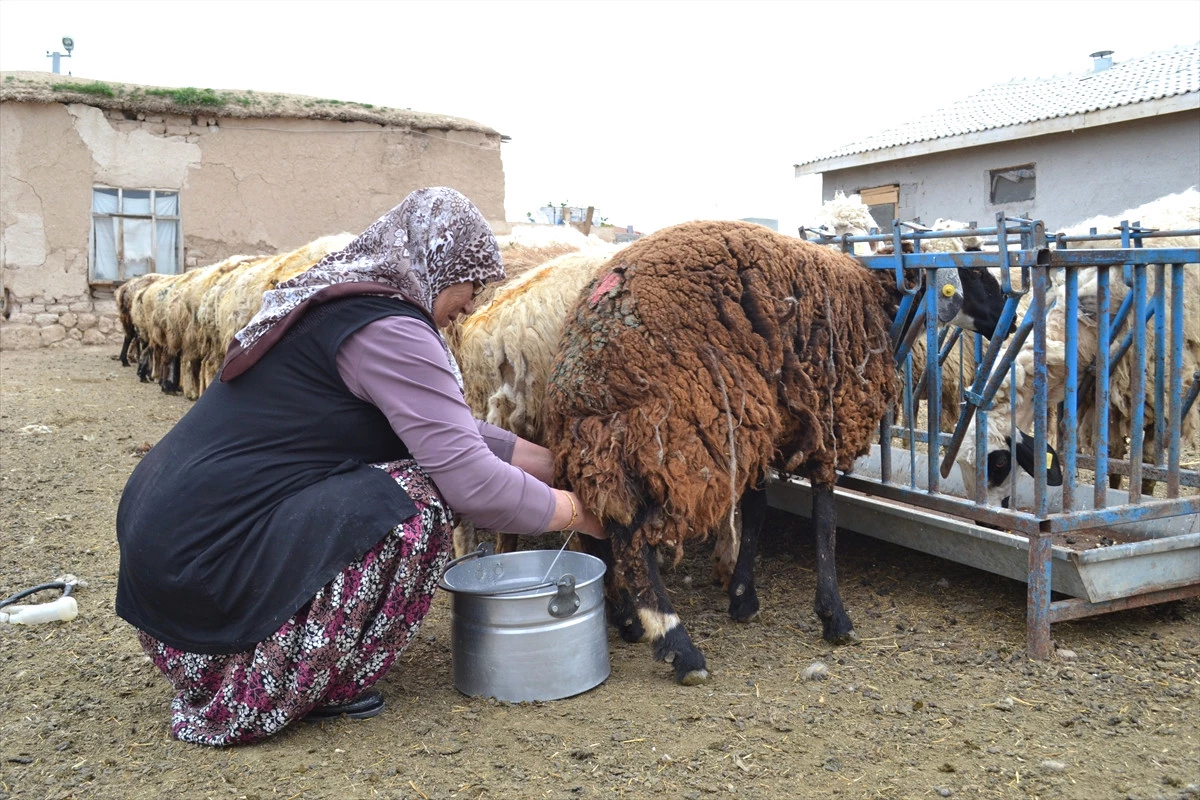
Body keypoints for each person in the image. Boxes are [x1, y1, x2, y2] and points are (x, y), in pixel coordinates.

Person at [115, 187, 605, 746]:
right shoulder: (389, 329)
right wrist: (584, 513)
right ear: (438, 264)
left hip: (167, 576)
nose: (472, 304)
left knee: (415, 476)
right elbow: (471, 482)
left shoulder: (339, 307)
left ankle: (274, 654)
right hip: (202, 575)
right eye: (471, 282)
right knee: (416, 502)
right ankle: (294, 678)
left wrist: (566, 467)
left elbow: (457, 435)